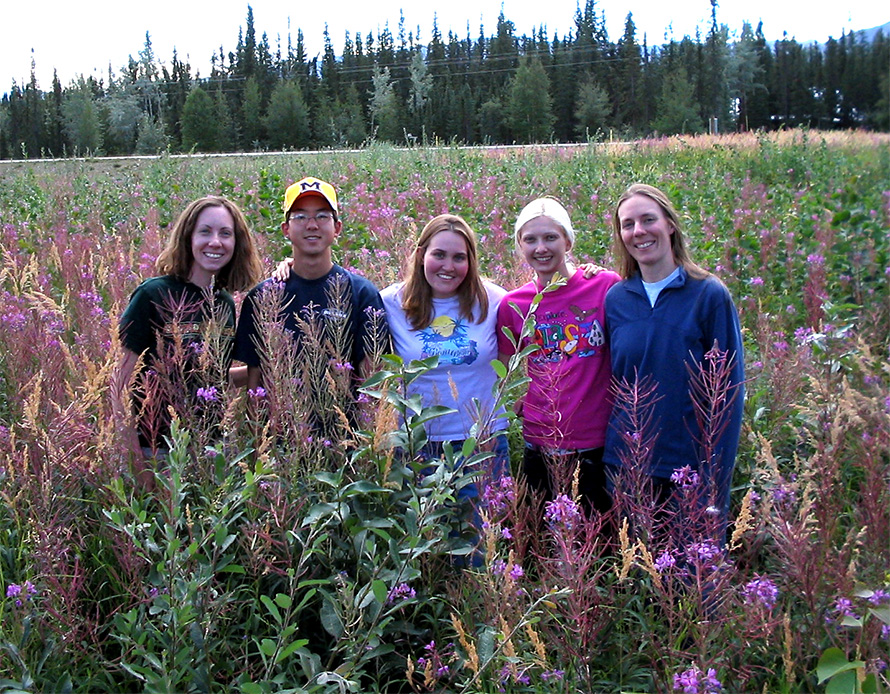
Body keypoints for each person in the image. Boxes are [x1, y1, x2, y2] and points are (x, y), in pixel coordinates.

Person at [602, 183, 745, 538]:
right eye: (628, 224)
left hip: (689, 469)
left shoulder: (708, 294)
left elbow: (728, 394)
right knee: (639, 580)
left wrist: (715, 482)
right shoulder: (616, 299)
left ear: (669, 224)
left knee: (696, 580)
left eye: (648, 219)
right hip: (627, 464)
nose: (639, 231)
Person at [497, 196, 621, 517]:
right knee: (540, 536)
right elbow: (499, 366)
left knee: (598, 541)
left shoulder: (604, 286)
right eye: (530, 239)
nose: (541, 248)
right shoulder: (515, 304)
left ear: (567, 240)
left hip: (595, 440)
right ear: (520, 246)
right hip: (539, 439)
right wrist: (519, 399)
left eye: (551, 237)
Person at [113, 195, 263, 459]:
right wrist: (136, 460)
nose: (215, 242)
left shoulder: (224, 303)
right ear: (188, 238)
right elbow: (119, 385)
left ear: (236, 244)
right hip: (156, 448)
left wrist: (265, 368)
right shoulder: (153, 294)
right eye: (205, 231)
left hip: (210, 446)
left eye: (225, 234)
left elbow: (212, 377)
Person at [233, 176, 386, 435]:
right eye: (300, 217)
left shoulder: (362, 294)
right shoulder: (262, 297)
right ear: (285, 229)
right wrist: (261, 447)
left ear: (337, 228)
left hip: (344, 443)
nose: (312, 225)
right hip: (282, 444)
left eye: (322, 216)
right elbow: (254, 380)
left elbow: (372, 378)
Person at [380, 213, 510, 483]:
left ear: (470, 261)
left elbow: (548, 301)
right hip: (416, 445)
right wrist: (290, 267)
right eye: (439, 254)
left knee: (483, 524)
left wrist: (593, 276)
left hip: (483, 443)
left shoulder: (495, 301)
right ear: (420, 255)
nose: (448, 266)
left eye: (459, 257)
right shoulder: (390, 302)